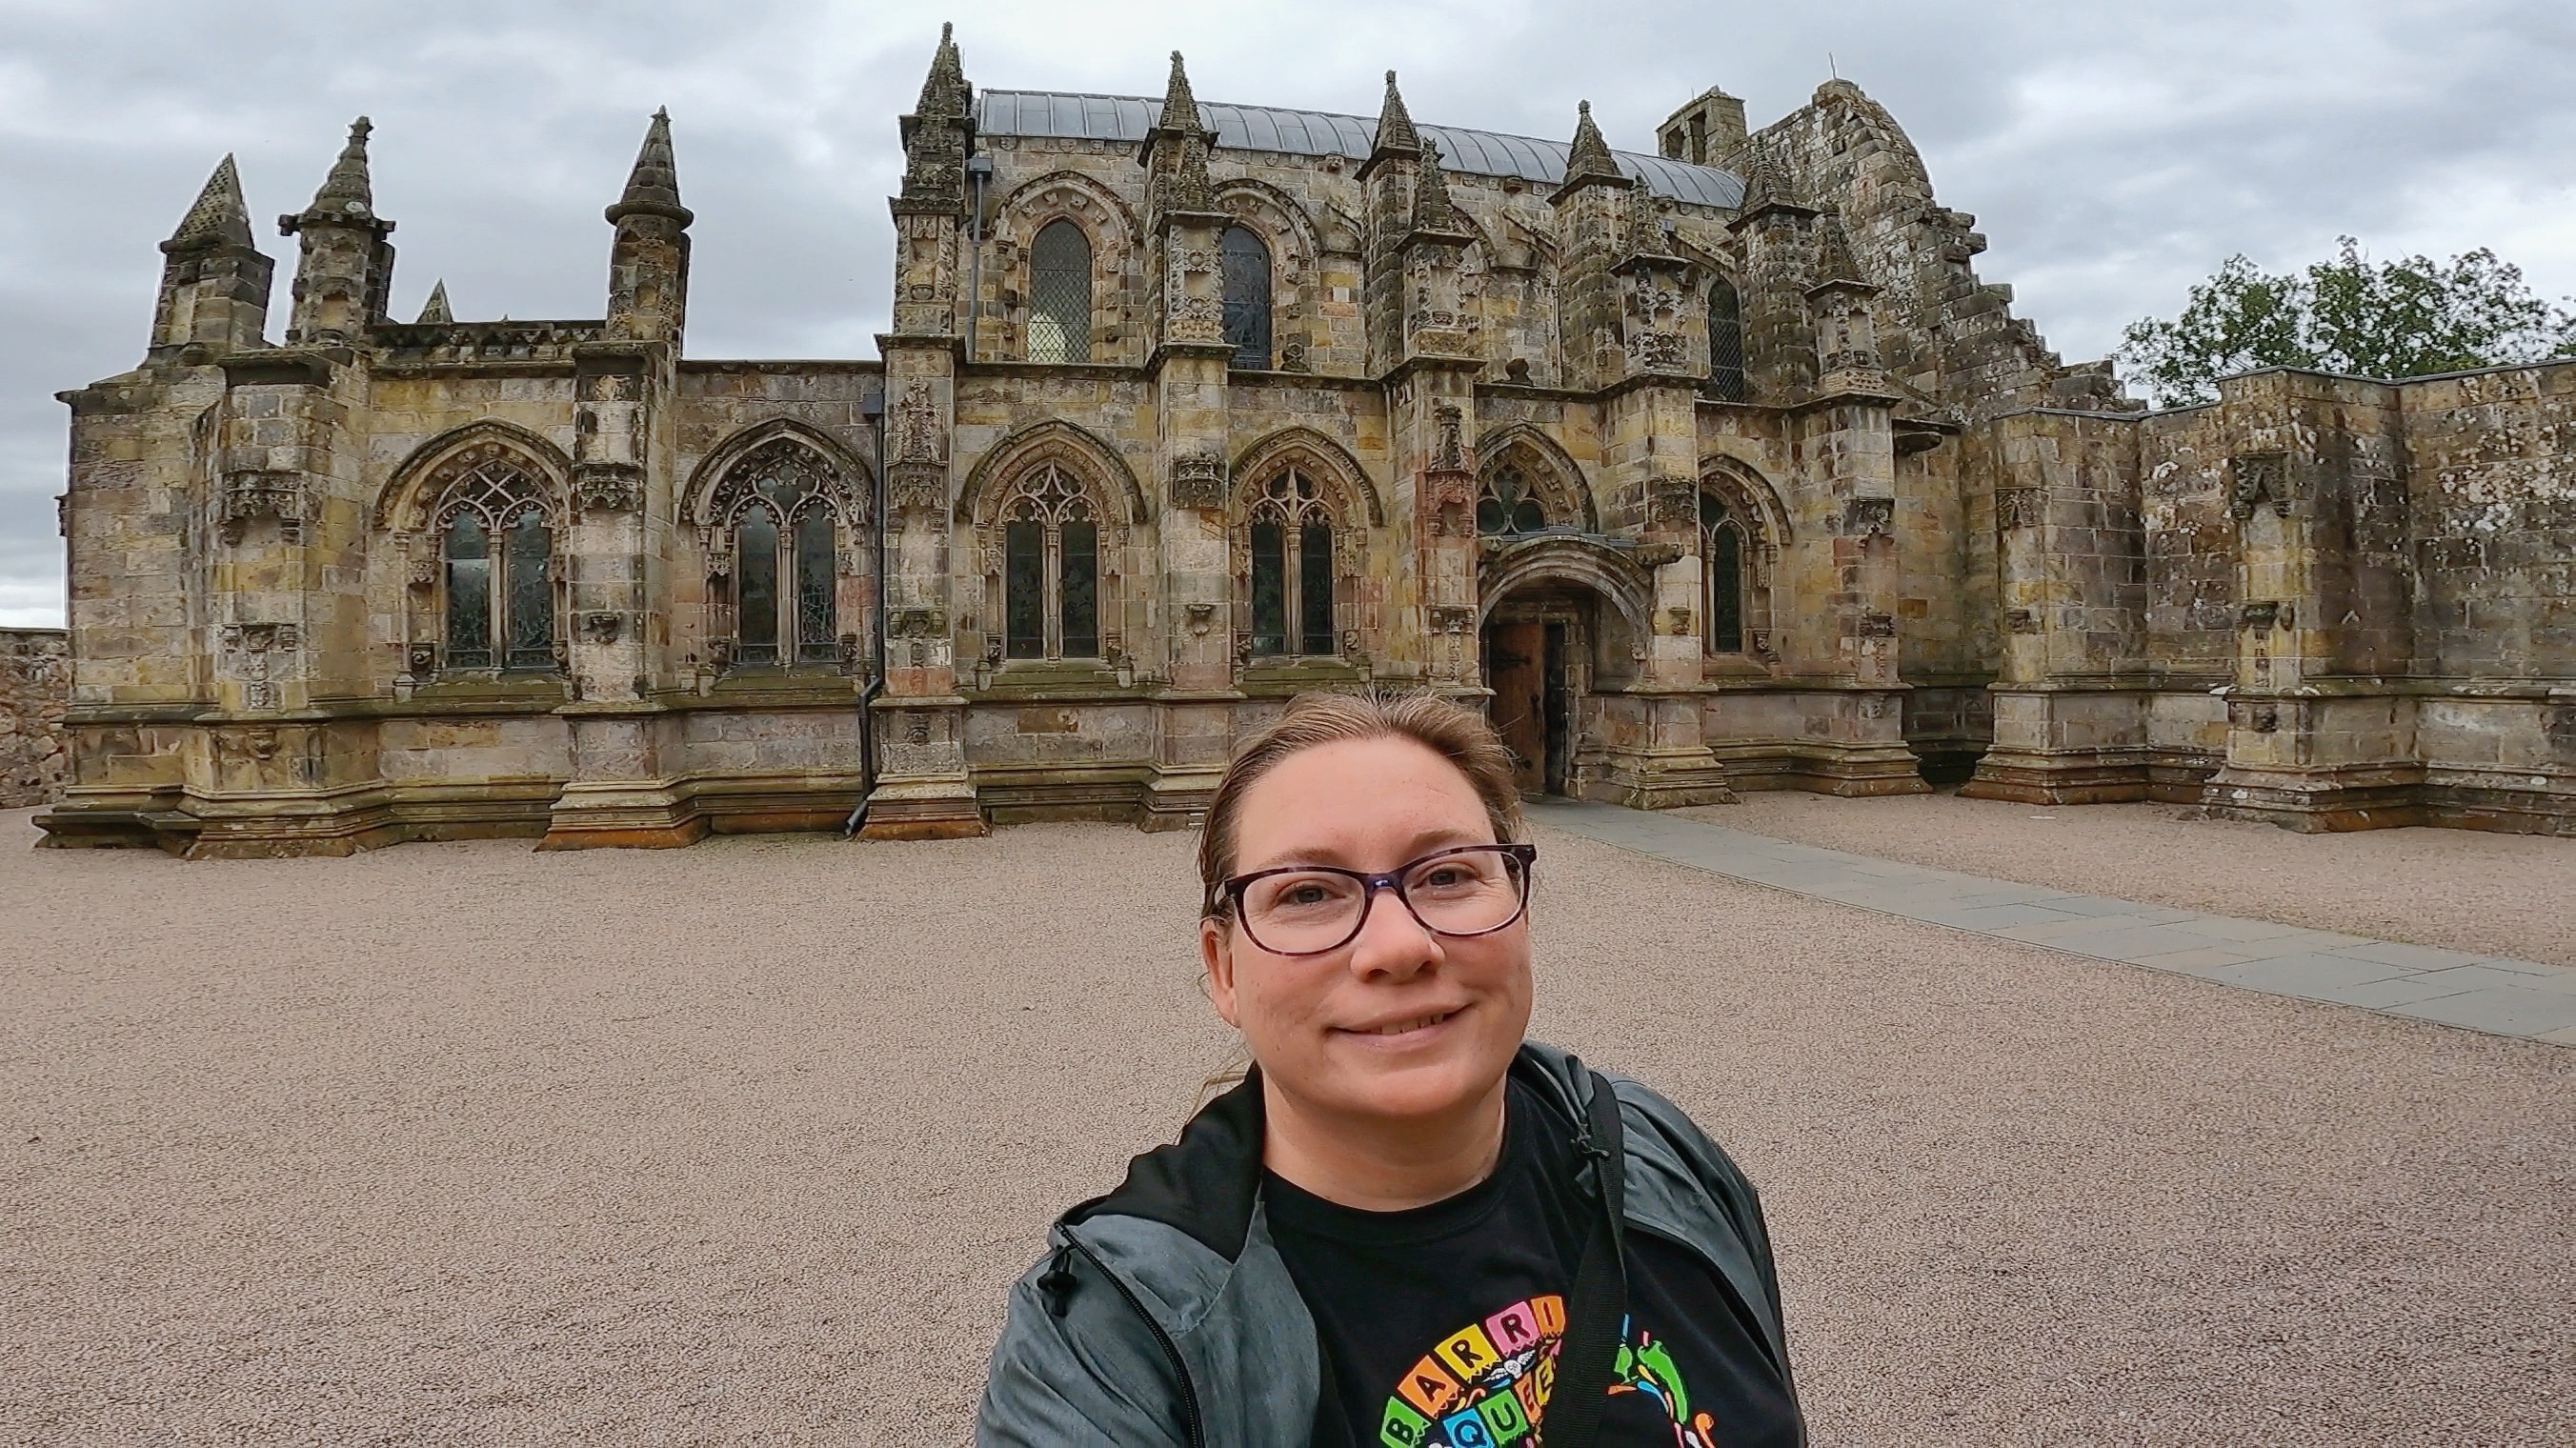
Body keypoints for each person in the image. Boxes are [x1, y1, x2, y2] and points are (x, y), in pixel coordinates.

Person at [977, 691, 1804, 1447]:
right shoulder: (1106, 1348)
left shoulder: (1659, 1154)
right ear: (1223, 970)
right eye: (1308, 893)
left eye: (1448, 875)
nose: (1400, 945)